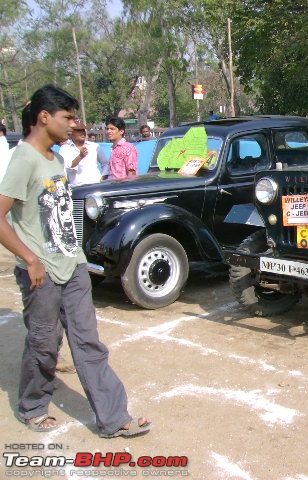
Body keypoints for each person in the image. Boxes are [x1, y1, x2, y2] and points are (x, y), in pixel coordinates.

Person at [0, 84, 152, 437]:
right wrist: (30, 259)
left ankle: (113, 418)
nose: (73, 124)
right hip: (41, 274)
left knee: (88, 344)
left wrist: (78, 258)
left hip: (73, 267)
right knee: (44, 343)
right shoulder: (23, 158)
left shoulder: (56, 158)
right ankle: (33, 405)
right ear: (44, 117)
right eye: (67, 118)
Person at [59, 121, 109, 185]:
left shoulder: (94, 146)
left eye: (83, 130)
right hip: (77, 188)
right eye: (79, 131)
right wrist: (80, 156)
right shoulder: (65, 148)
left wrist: (103, 178)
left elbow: (105, 164)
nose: (83, 133)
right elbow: (68, 168)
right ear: (72, 133)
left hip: (96, 185)